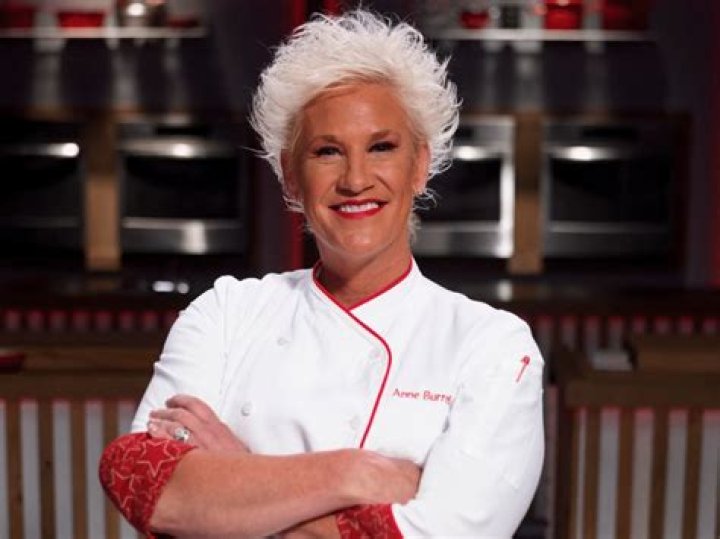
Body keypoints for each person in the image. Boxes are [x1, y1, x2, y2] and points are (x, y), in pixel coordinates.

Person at [99, 9, 545, 538]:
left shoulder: (493, 347)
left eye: (382, 147)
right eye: (327, 151)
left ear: (420, 165)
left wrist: (238, 473)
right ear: (291, 175)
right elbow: (143, 482)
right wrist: (357, 474)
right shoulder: (227, 313)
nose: (356, 179)